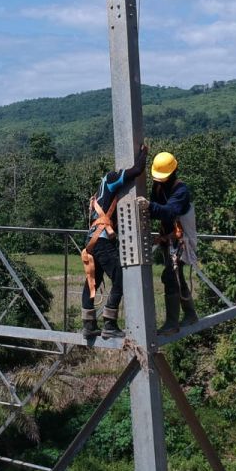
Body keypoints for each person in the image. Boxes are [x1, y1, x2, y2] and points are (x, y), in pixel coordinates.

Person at [81, 143, 148, 339]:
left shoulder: (100, 192)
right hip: (101, 240)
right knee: (120, 277)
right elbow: (136, 170)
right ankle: (109, 322)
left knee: (93, 281)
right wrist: (144, 152)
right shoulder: (110, 179)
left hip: (92, 240)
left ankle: (88, 324)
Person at [147, 151, 199, 335]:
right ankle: (190, 314)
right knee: (177, 277)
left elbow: (168, 212)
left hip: (184, 242)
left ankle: (171, 322)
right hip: (170, 240)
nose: (159, 181)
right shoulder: (158, 187)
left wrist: (148, 206)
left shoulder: (181, 191)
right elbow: (156, 210)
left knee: (170, 276)